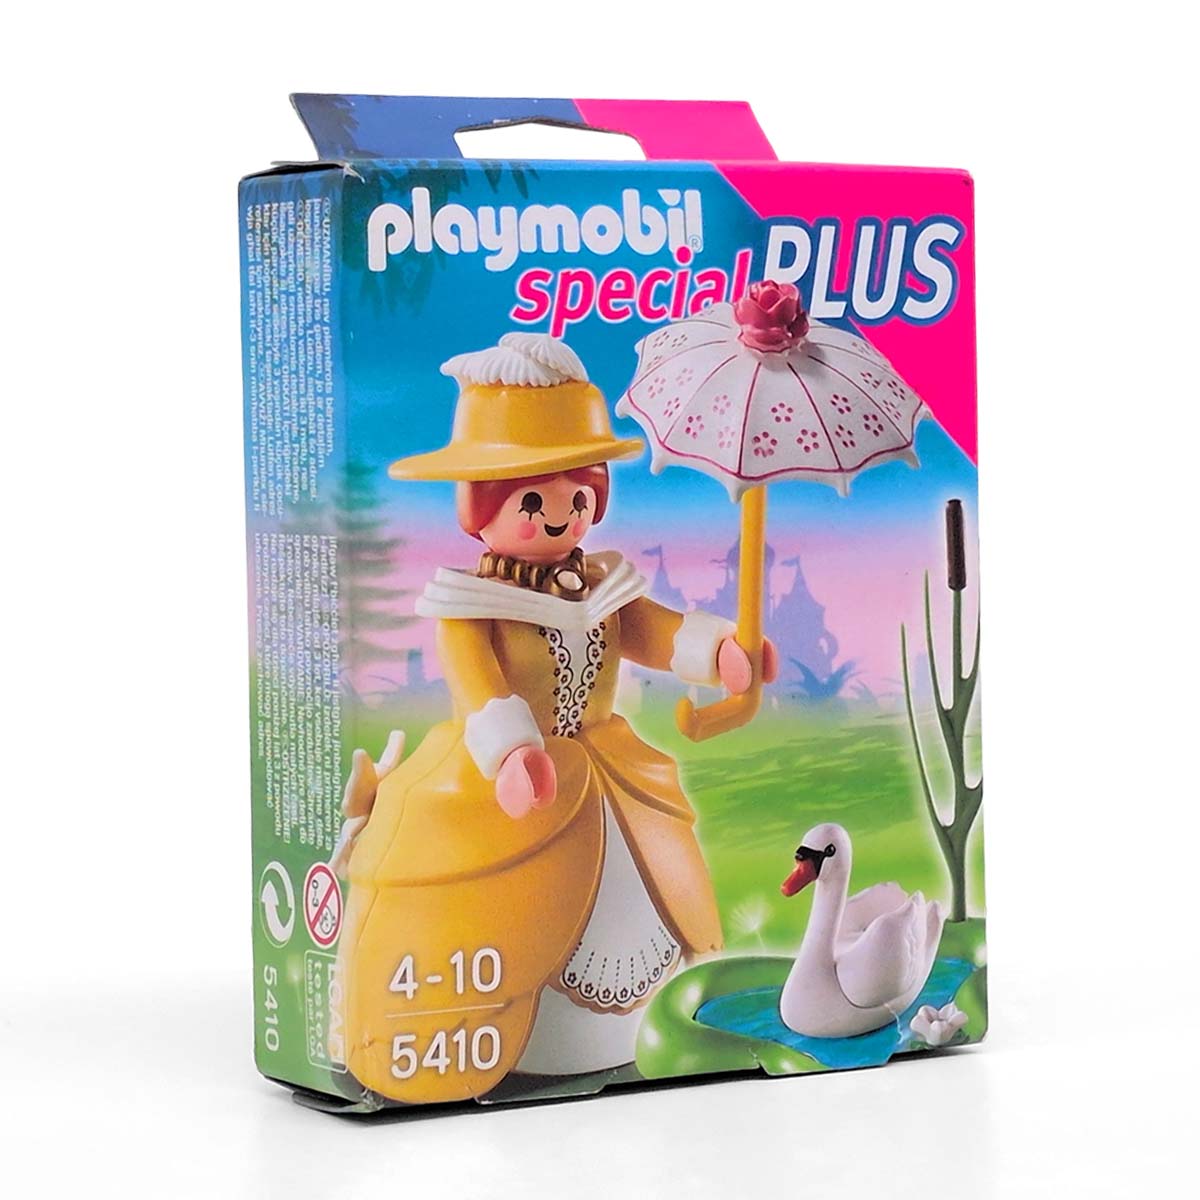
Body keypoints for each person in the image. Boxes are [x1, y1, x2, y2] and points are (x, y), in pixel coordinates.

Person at [334, 332, 776, 1104]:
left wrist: (720, 652)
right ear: (481, 507)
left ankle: (627, 1031)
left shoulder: (604, 584)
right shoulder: (470, 606)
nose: (559, 518)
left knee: (647, 881)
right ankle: (507, 1034)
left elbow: (656, 632)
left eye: (578, 499)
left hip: (608, 769)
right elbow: (479, 687)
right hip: (513, 778)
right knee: (511, 902)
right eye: (532, 502)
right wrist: (510, 751)